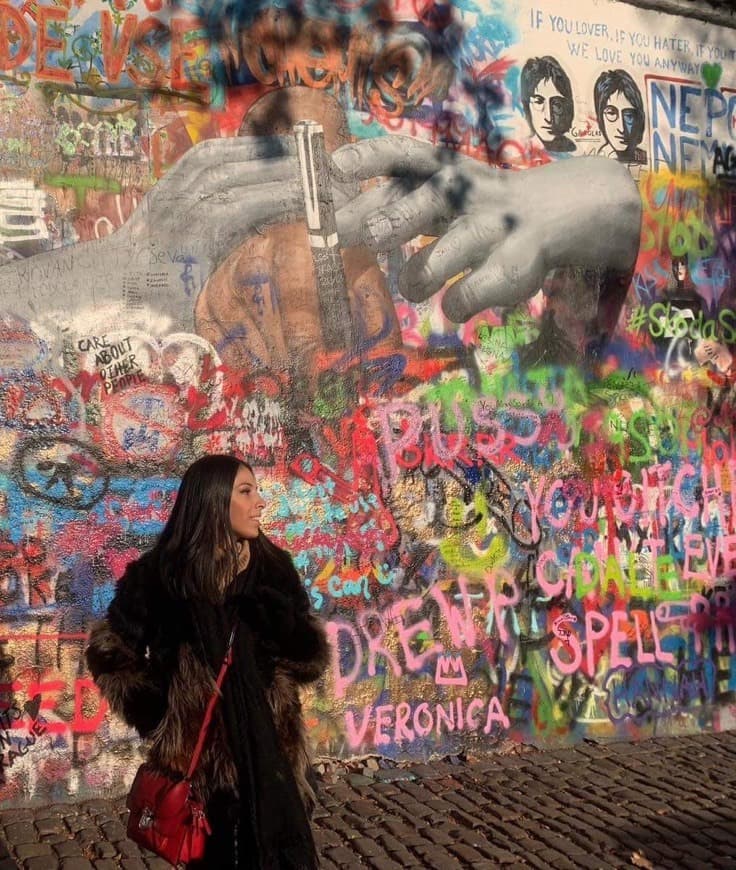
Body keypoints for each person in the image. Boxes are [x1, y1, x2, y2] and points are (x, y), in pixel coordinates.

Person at [85, 454, 329, 868]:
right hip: (199, 766)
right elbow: (110, 652)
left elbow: (311, 660)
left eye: (257, 491)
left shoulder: (274, 569)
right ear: (213, 500)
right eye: (246, 491)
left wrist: (286, 629)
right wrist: (160, 714)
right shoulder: (160, 577)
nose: (260, 503)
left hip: (269, 751)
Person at [520, 56, 576, 153]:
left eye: (557, 104)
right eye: (538, 102)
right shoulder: (521, 151)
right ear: (527, 105)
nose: (548, 117)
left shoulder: (573, 150)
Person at [593, 69, 647, 165]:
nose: (621, 128)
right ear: (600, 117)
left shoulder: (643, 160)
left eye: (629, 116)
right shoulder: (596, 164)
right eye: (611, 113)